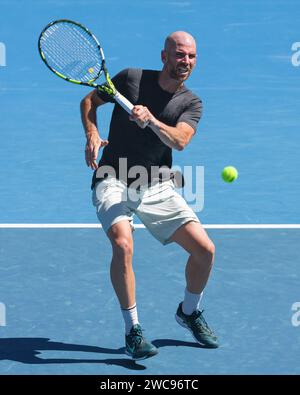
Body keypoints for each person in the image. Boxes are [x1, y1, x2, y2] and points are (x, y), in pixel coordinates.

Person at [80, 31, 219, 360]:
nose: (185, 62)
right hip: (112, 176)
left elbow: (180, 141)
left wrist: (151, 120)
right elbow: (89, 101)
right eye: (179, 55)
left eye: (191, 57)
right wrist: (92, 133)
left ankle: (189, 311)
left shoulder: (191, 103)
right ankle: (133, 331)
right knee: (123, 244)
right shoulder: (129, 79)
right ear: (164, 56)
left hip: (154, 183)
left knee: (205, 251)